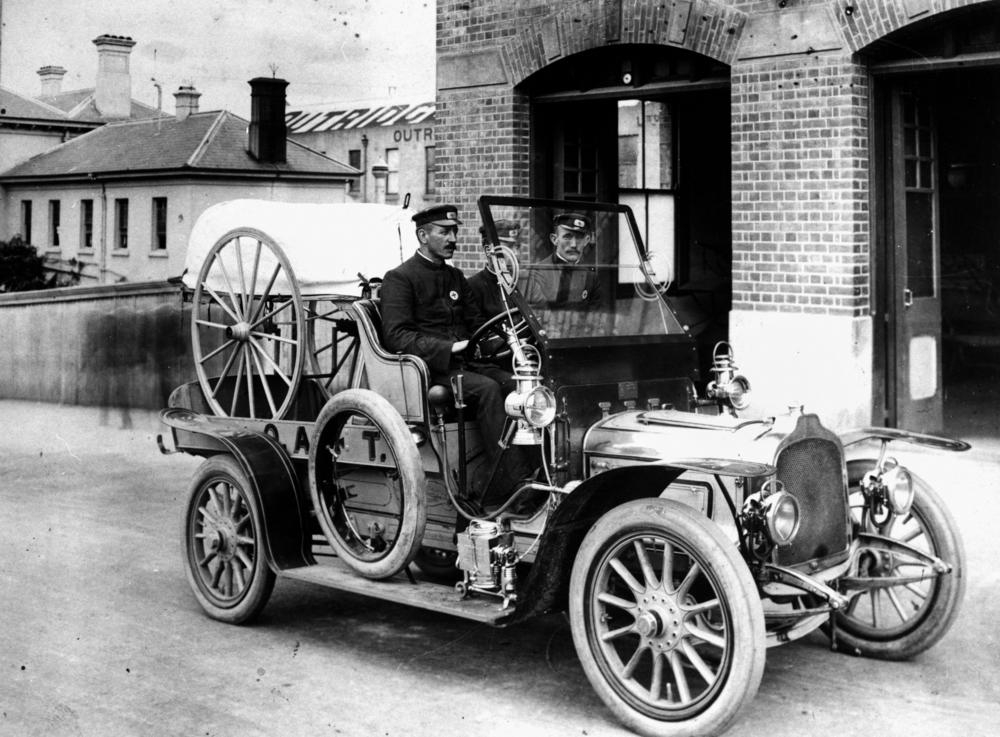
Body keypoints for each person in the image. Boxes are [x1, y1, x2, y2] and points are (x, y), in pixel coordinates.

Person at [380, 204, 522, 501]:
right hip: (431, 370)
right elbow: (396, 336)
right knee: (487, 389)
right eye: (444, 232)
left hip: (465, 364)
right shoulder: (400, 278)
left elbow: (477, 323)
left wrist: (508, 342)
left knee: (516, 384)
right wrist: (449, 347)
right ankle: (506, 485)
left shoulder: (456, 277)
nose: (453, 239)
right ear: (422, 235)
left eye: (454, 231)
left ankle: (531, 471)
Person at [523, 212, 602, 308]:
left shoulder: (591, 278)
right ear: (554, 239)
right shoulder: (537, 274)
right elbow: (537, 316)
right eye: (567, 237)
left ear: (586, 240)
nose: (573, 244)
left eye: (579, 238)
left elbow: (596, 316)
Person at [468, 219, 522, 317]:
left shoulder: (524, 283)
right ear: (488, 251)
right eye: (509, 247)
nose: (516, 254)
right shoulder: (472, 287)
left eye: (517, 247)